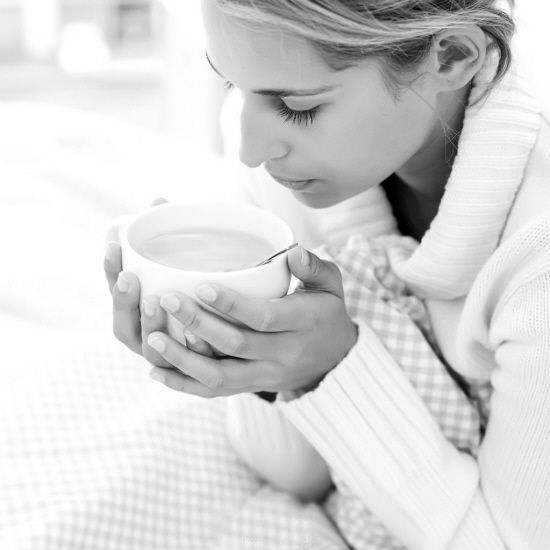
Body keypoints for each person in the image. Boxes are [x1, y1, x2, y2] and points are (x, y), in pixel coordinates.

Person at [105, 0, 550, 548]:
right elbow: (294, 476)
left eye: (297, 107)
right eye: (232, 85)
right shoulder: (289, 170)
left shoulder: (538, 261)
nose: (248, 150)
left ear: (452, 56)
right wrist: (256, 361)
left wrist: (336, 367)